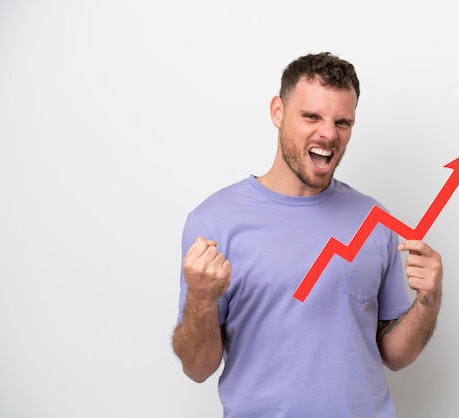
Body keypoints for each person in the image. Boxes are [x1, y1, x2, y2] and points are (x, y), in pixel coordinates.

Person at [172, 52, 443, 418]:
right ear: (278, 112)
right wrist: (202, 299)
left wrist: (428, 302)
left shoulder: (374, 220)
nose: (328, 133)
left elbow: (395, 355)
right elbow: (197, 367)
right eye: (311, 116)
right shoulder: (214, 222)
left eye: (342, 121)